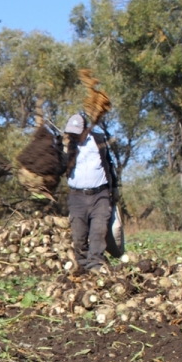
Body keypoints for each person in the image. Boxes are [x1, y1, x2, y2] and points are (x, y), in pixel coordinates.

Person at [62, 113, 120, 273]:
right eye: (71, 132)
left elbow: (109, 163)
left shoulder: (98, 140)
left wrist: (114, 187)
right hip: (77, 197)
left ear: (86, 129)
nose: (74, 135)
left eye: (77, 132)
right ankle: (81, 265)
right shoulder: (67, 145)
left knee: (98, 232)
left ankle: (96, 265)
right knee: (79, 236)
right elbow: (59, 167)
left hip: (100, 195)